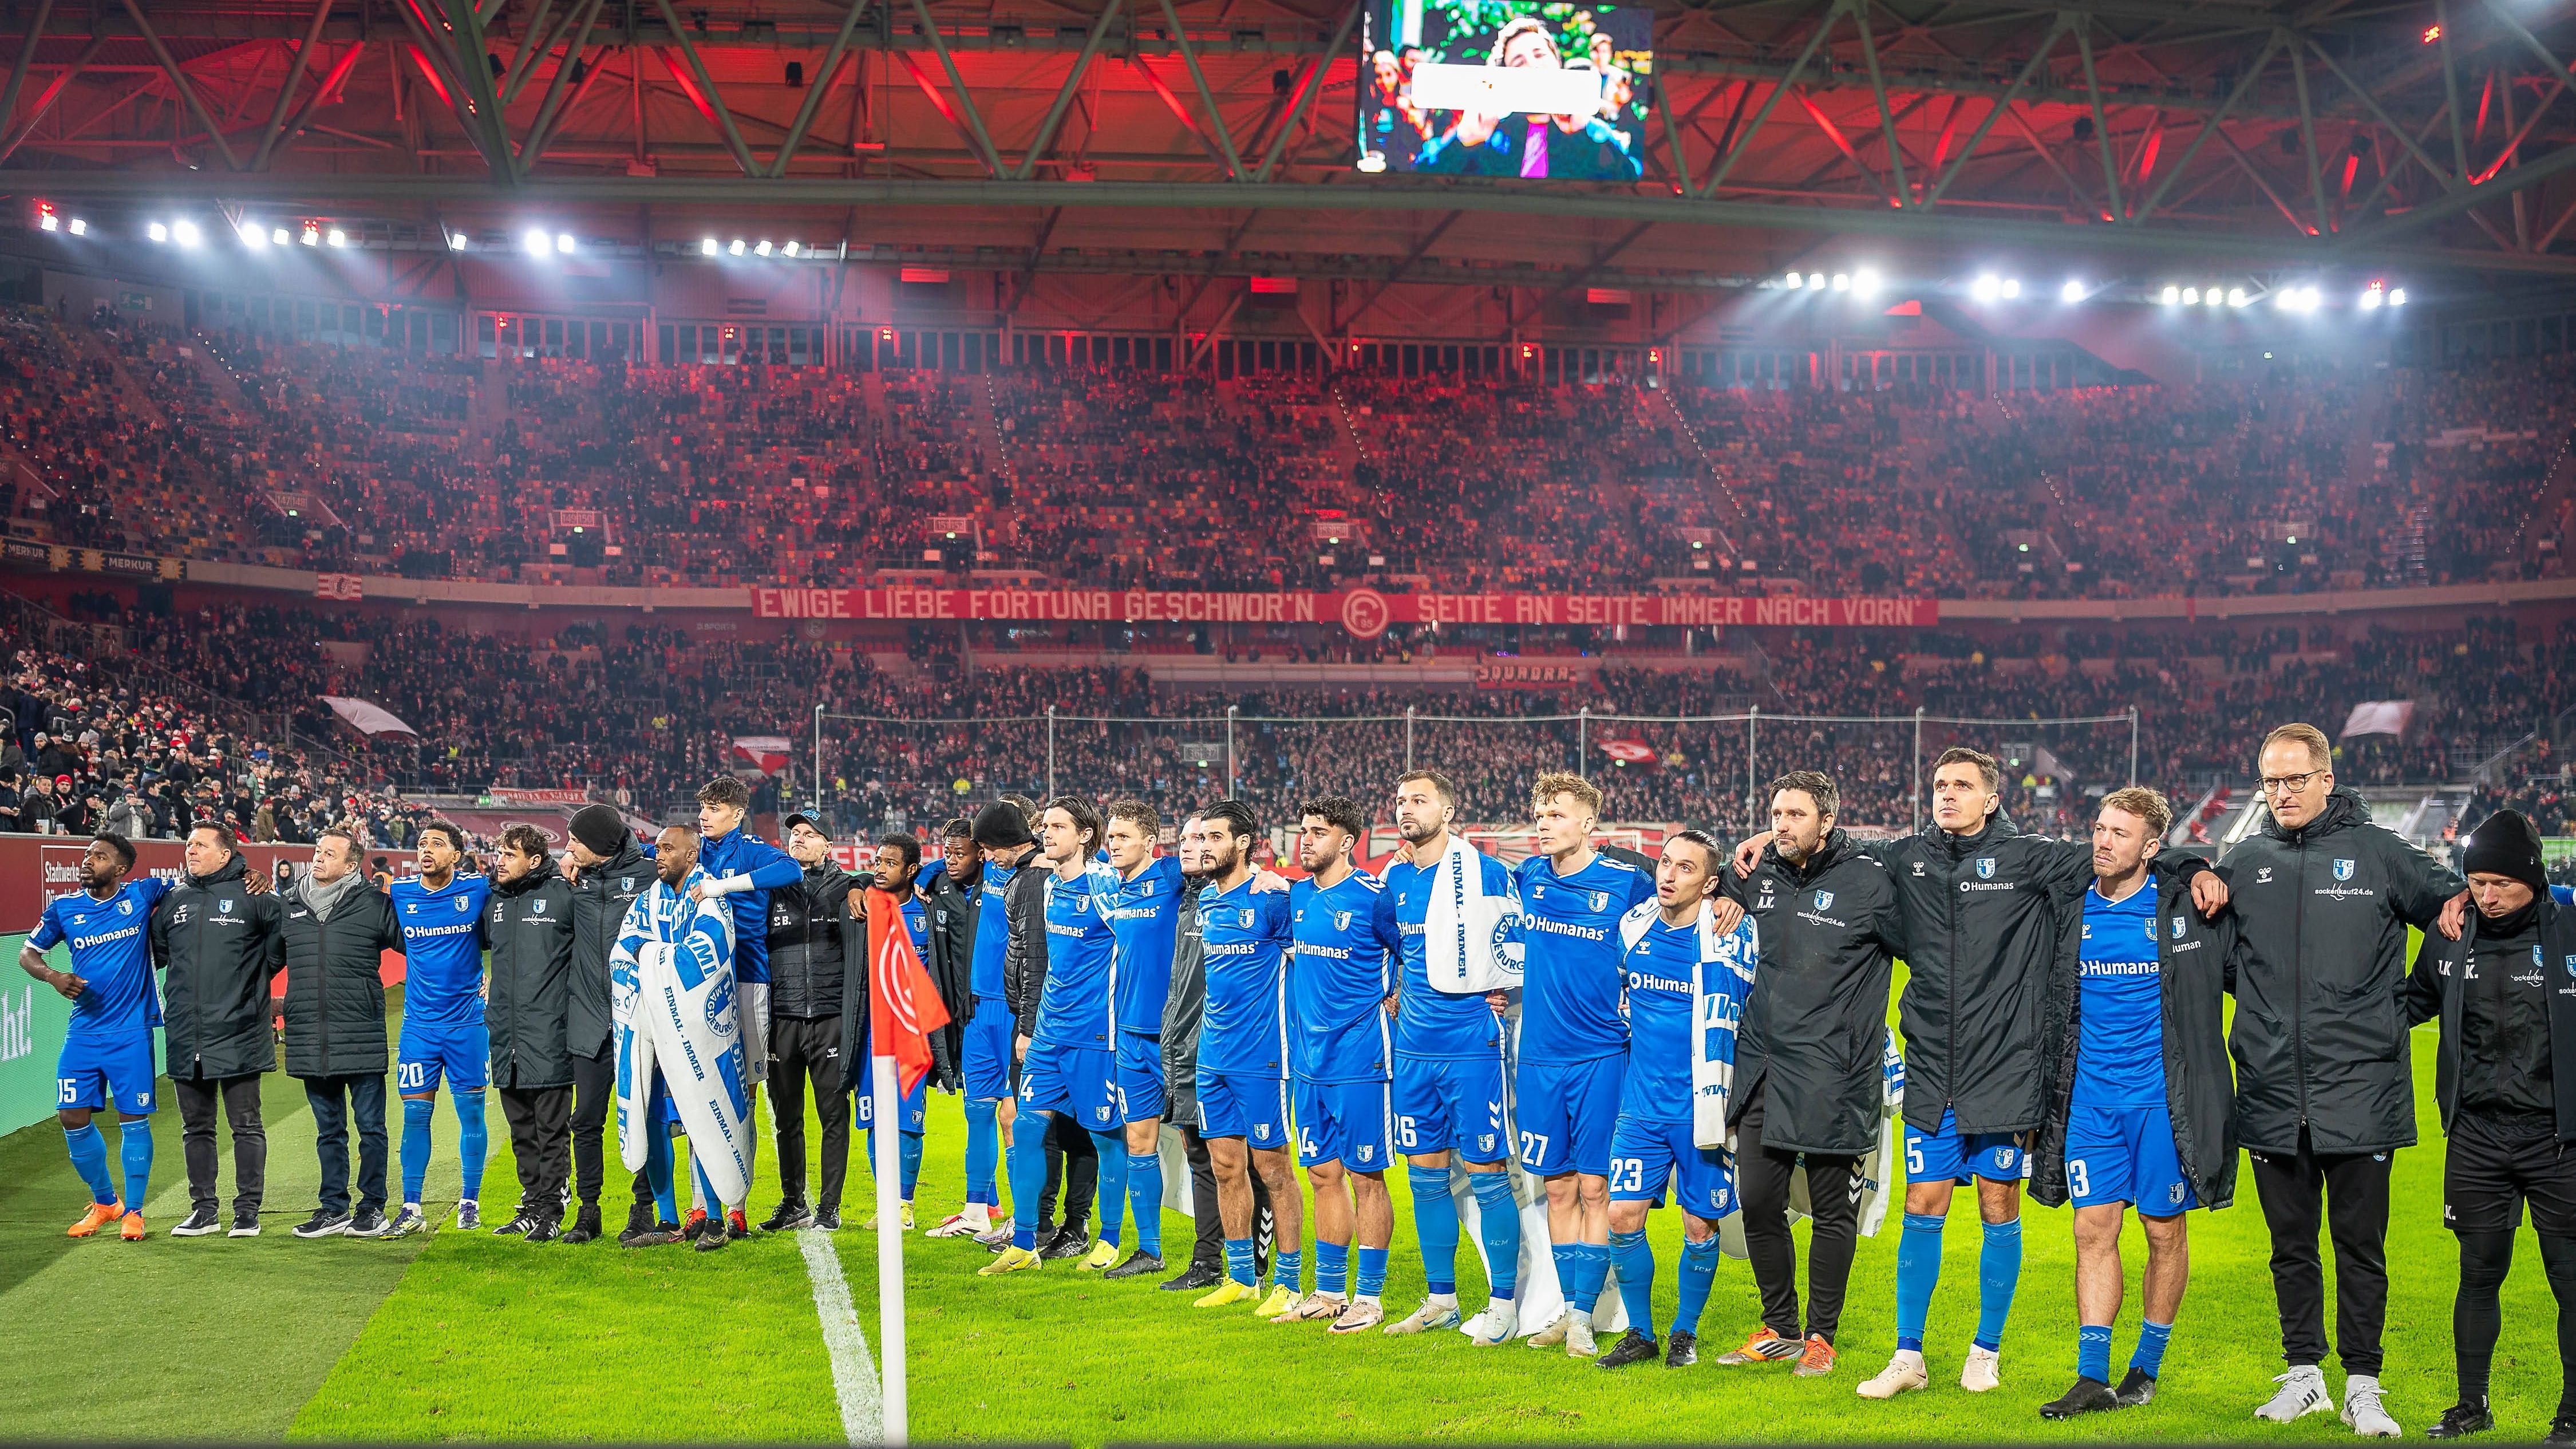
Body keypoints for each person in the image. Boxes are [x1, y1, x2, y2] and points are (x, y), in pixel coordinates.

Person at [2221, 722, 2468, 1436]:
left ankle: (2364, 1383)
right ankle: (2304, 1377)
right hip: (2271, 1090)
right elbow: (2223, 953)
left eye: (2295, 778)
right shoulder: (2246, 859)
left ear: (2327, 779)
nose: (2282, 792)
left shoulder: (2381, 852)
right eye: (2270, 780)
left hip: (2360, 1091)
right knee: (2290, 1246)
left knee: (2361, 1247)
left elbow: (2456, 913)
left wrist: (2401, 1007)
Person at [2030, 788, 2238, 1418]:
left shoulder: (2179, 908)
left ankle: (2145, 1366)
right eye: (2098, 828)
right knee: (2092, 1229)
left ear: (2152, 847)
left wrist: (2196, 864)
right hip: (2091, 1103)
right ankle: (2092, 1375)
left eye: (2119, 833)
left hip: (2159, 1103)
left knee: (2162, 1229)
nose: (2102, 840)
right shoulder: (2070, 908)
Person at [1714, 771, 1903, 1376]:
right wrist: (1727, 879)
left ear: (1827, 821)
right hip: (1765, 1063)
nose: (1781, 823)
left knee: (1830, 1211)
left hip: (1834, 1072)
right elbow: (1706, 874)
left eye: (1796, 814)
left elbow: (1924, 949)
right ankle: (1780, 1327)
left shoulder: (1872, 881)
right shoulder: (1760, 869)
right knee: (1759, 1201)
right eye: (1775, 812)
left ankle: (1821, 1336)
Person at [2405, 810, 2576, 1444]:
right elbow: (2410, 1002)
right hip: (2476, 1135)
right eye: (2476, 881)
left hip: (2559, 1140)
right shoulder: (2451, 934)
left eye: (2501, 882)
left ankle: (2573, 1412)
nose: (2488, 895)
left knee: (2570, 1277)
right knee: (2477, 1273)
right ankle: (2471, 1405)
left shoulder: (2571, 928)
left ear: (2533, 877)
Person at [1511, 772, 1658, 1356]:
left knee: (1597, 1186)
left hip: (1602, 1056)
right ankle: (1573, 1309)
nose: (1543, 824)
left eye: (1556, 814)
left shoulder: (1627, 884)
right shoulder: (1528, 878)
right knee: (1559, 1185)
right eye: (1540, 814)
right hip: (1539, 1058)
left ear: (1589, 824)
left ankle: (1580, 1317)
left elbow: (1674, 923)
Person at [1598, 830, 1753, 1370]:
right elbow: (1621, 994)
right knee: (1621, 1215)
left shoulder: (1731, 933)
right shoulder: (1634, 923)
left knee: (1698, 1224)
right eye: (1665, 863)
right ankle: (1640, 1332)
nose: (1668, 874)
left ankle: (1684, 1332)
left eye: (1686, 868)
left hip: (1704, 1107)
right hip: (1640, 1104)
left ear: (1711, 883)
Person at [1380, 768, 1523, 1339]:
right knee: (1425, 1176)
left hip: (1470, 1047)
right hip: (1413, 1049)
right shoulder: (1392, 879)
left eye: (1419, 799)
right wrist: (1393, 989)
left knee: (1489, 1175)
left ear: (1448, 810)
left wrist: (1506, 984)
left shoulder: (1486, 870)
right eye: (1399, 799)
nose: (1406, 807)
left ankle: (1506, 1305)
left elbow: (1518, 938)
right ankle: (1442, 1298)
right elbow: (1388, 945)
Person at [988, 796, 1127, 1276]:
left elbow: (1138, 945)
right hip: (1049, 1031)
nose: (1048, 833)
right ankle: (1025, 1241)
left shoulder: (1107, 885)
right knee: (1026, 1128)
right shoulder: (1049, 888)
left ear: (1086, 836)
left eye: (1059, 826)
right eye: (1045, 825)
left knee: (1106, 1138)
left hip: (1095, 1036)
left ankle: (1107, 1239)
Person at [1283, 794, 1403, 1330]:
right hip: (1308, 1065)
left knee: (1367, 1178)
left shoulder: (1377, 899)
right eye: (1302, 830)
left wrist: (1399, 993)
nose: (1304, 840)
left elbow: (1415, 951)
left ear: (1347, 841)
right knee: (1323, 1174)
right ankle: (1330, 1289)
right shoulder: (1296, 897)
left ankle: (1370, 1298)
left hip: (1361, 1060)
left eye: (1317, 832)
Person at [22, 832, 173, 1241]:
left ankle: (136, 1212)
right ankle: (106, 1202)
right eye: (87, 854)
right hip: (83, 1031)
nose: (88, 861)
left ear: (121, 869)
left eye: (99, 856)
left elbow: (198, 881)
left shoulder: (142, 894)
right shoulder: (65, 908)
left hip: (131, 1031)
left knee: (133, 1118)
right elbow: (27, 953)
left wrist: (251, 875)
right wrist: (53, 976)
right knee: (71, 1115)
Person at [1187, 797, 1300, 1309]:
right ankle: (1240, 1278)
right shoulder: (1208, 902)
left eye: (1214, 838)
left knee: (1274, 1168)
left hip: (1264, 1057)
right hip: (1213, 1056)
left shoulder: (1274, 898)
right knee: (1225, 1166)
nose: (1204, 847)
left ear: (1242, 844)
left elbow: (1311, 961)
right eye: (1201, 838)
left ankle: (1290, 1283)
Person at [1157, 811, 1275, 1293]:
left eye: (1204, 837)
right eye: (1186, 838)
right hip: (1184, 1045)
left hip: (1231, 1047)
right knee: (1205, 1155)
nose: (1193, 846)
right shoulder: (1191, 900)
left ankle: (1226, 1259)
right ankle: (1223, 1261)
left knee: (1249, 1160)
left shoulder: (1257, 897)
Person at [153, 822, 285, 1238]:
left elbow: (279, 950)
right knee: (196, 1126)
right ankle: (204, 1210)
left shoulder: (256, 896)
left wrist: (250, 991)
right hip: (185, 1033)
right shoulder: (173, 900)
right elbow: (158, 954)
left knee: (245, 1123)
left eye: (201, 844)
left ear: (226, 854)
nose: (191, 850)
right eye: (188, 844)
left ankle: (248, 1211)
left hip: (239, 1030)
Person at [276, 828, 406, 1240]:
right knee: (327, 1131)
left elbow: (415, 945)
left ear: (351, 865)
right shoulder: (290, 904)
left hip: (361, 1033)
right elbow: (263, 960)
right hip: (310, 1037)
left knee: (371, 1128)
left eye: (329, 854)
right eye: (318, 851)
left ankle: (372, 1208)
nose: (319, 858)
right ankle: (333, 1208)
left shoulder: (373, 904)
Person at [385, 820, 492, 1235]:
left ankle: (470, 1200)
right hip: (419, 1028)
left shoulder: (478, 889)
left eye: (437, 844)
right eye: (421, 843)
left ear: (456, 854)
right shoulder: (400, 893)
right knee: (415, 1115)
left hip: (467, 1024)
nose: (426, 849)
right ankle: (411, 1207)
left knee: (471, 1115)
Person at [563, 804, 659, 1245]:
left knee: (639, 1113)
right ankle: (588, 1209)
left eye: (575, 841)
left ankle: (643, 1206)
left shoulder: (648, 877)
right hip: (587, 1017)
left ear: (600, 844)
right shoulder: (572, 881)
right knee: (585, 1119)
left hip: (636, 1019)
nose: (568, 848)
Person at [484, 824, 579, 1242]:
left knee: (551, 1129)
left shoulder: (565, 896)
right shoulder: (494, 903)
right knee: (521, 1129)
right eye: (499, 852)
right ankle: (532, 1202)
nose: (500, 860)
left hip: (548, 1034)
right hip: (506, 1037)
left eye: (510, 853)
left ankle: (552, 1210)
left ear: (535, 860)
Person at [1102, 799, 1184, 1280]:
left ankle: (1225, 1256)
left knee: (1207, 1146)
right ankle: (1150, 1249)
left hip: (1177, 1035)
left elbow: (1228, 868)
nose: (1114, 844)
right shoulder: (1114, 886)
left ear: (1150, 843)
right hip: (1130, 1036)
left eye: (1123, 837)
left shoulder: (1172, 875)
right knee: (1139, 1139)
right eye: (1111, 837)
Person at [765, 811, 856, 1231]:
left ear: (828, 844)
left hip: (829, 1018)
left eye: (808, 834)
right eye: (794, 833)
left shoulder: (846, 887)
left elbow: (885, 879)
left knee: (833, 1116)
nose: (797, 839)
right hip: (783, 1017)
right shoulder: (774, 886)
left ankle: (829, 1207)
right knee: (787, 1118)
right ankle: (792, 1201)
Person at [949, 802, 1036, 1246]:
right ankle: (976, 1210)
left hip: (1018, 1007)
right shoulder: (983, 872)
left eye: (990, 845)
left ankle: (1025, 1221)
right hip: (980, 1007)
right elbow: (936, 863)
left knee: (1017, 1115)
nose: (985, 854)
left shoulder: (1039, 873)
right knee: (977, 1109)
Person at [851, 831, 948, 1230]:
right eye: (877, 860)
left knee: (908, 1121)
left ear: (911, 870)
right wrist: (855, 886)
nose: (879, 868)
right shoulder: (865, 909)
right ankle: (886, 1202)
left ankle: (905, 1205)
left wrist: (928, 877)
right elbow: (849, 879)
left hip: (911, 1032)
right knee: (874, 1119)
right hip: (871, 1032)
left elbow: (953, 865)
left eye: (890, 863)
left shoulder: (928, 911)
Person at [1412, 15, 1644, 180]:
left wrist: (1589, 133)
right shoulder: (1491, 135)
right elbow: (1419, 177)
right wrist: (1462, 142)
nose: (1532, 66)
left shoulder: (1588, 129)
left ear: (1558, 64)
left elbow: (1631, 177)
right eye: (1519, 62)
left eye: (1539, 55)